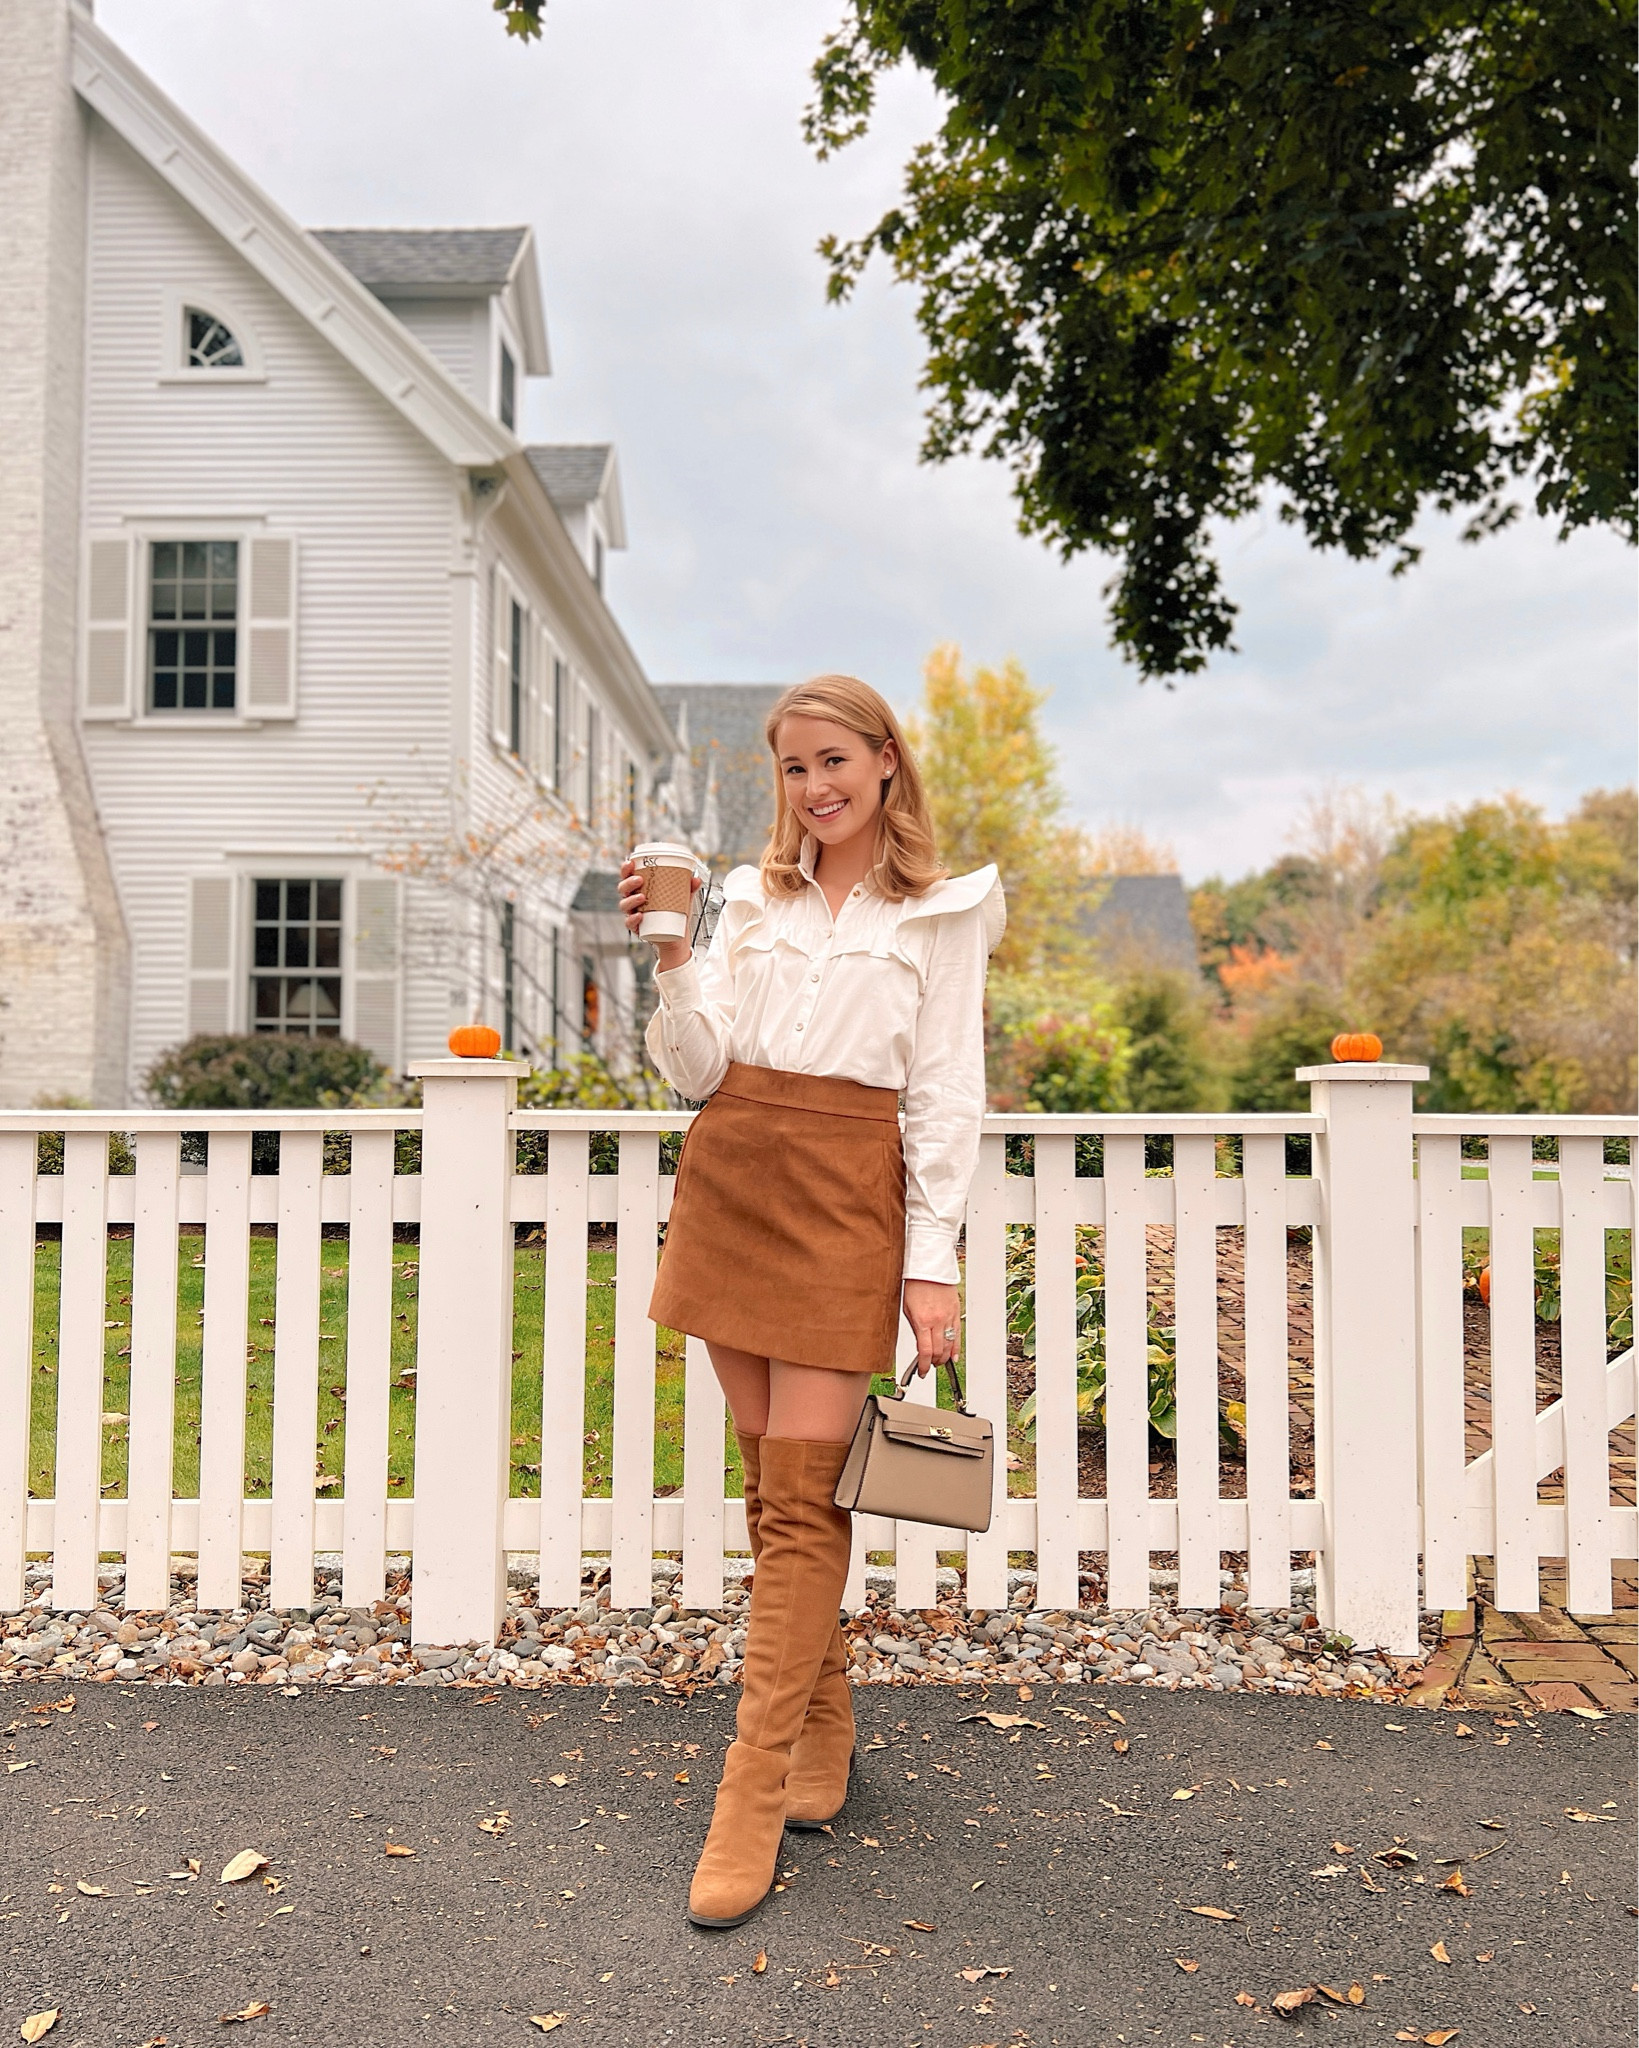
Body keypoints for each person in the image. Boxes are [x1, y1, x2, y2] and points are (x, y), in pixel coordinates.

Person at [617, 673, 1005, 1930]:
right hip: (733, 1174)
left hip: (847, 1196)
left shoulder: (945, 914)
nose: (812, 786)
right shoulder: (749, 897)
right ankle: (820, 1734)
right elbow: (696, 1069)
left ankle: (748, 1790)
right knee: (777, 1489)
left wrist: (931, 1257)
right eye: (791, 768)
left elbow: (944, 1093)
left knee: (799, 1498)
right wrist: (674, 957)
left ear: (886, 761)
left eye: (831, 759)